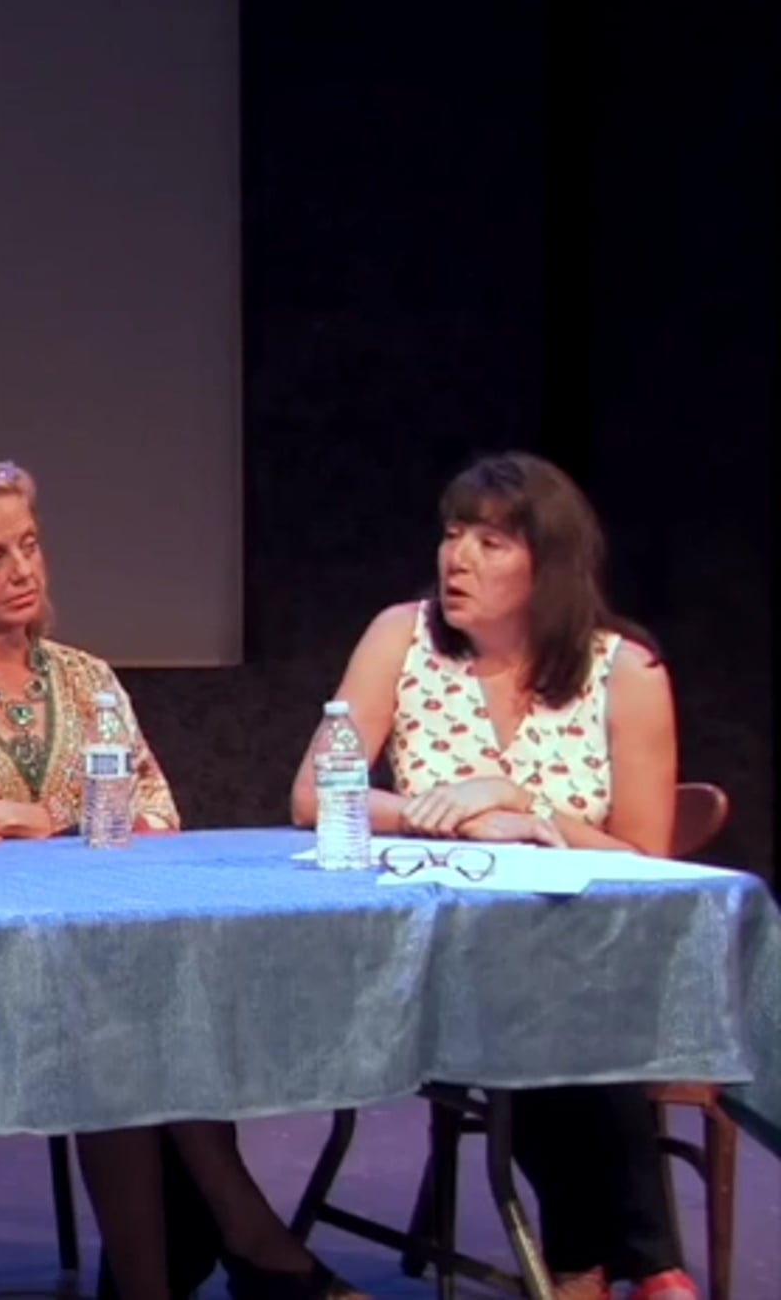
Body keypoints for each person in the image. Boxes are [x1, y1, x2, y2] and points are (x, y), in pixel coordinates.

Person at [0, 461, 361, 1300]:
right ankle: (252, 1242)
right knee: (125, 1009)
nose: (22, 570)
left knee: (124, 1001)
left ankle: (171, 1275)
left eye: (30, 545)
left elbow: (158, 813)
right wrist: (68, 825)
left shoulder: (88, 677)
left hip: (101, 954)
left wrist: (36, 820)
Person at [292, 452, 695, 1300]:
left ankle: (587, 1263)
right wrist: (444, 811)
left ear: (550, 564)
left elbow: (648, 866)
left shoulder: (626, 672)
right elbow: (313, 794)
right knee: (532, 990)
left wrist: (526, 807)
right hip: (438, 960)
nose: (458, 558)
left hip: (598, 960)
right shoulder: (401, 637)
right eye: (452, 535)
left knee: (558, 989)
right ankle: (641, 1264)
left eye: (490, 541)